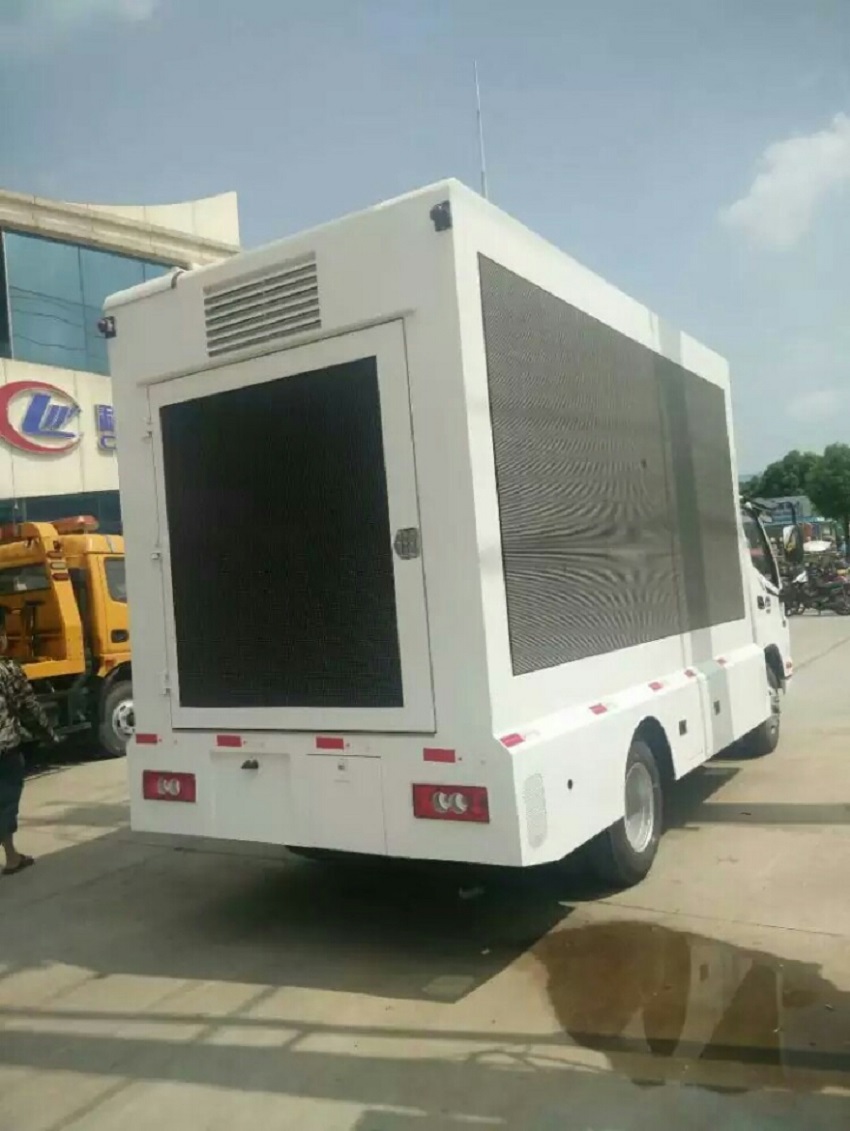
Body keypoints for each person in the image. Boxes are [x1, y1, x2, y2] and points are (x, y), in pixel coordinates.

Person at [0, 613, 57, 876]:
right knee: (6, 801)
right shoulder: (8, 670)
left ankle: (12, 856)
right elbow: (29, 708)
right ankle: (12, 858)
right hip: (5, 749)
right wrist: (49, 735)